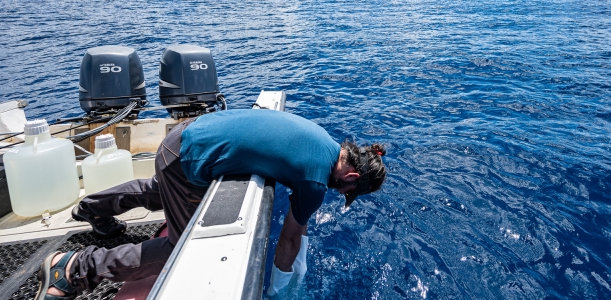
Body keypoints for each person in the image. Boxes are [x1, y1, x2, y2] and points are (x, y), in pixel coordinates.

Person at [35, 109, 387, 300]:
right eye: (344, 192)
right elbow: (291, 240)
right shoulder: (316, 178)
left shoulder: (324, 141)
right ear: (352, 178)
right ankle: (75, 267)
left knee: (161, 189)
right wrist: (280, 291)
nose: (338, 193)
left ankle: (91, 209)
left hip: (189, 135)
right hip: (186, 160)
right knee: (183, 250)